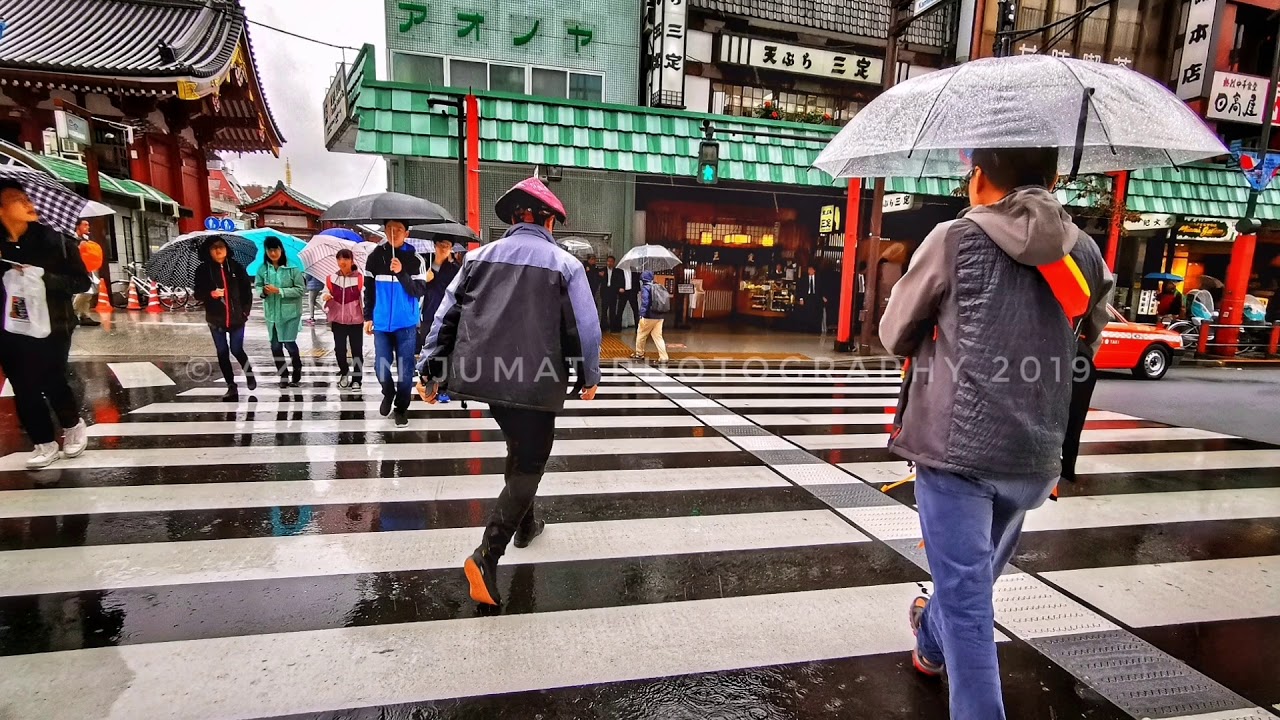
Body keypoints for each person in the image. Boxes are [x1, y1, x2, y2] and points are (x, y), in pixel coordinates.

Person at [879, 147, 1111, 720]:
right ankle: (929, 644)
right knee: (971, 581)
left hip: (957, 450)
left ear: (980, 177)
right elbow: (1091, 335)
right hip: (1035, 452)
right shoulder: (1083, 251)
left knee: (967, 602)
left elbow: (894, 332)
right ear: (1053, 179)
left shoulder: (954, 238)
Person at [417, 176, 601, 608]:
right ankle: (487, 555)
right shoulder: (565, 265)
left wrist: (430, 370)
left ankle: (526, 525)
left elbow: (446, 316)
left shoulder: (476, 258)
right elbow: (585, 329)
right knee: (531, 462)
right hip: (538, 379)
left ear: (513, 219)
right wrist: (587, 375)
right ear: (549, 222)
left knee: (519, 447)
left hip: (488, 377)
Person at [0, 180, 92, 468]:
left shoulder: (56, 240)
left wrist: (43, 277)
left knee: (51, 378)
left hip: (54, 323)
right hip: (10, 326)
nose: (29, 204)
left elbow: (81, 282)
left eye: (28, 198)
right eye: (18, 199)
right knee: (23, 385)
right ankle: (43, 442)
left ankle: (72, 425)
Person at [364, 219, 427, 426]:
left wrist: (401, 272)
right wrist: (368, 317)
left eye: (398, 229)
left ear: (406, 233)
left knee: (405, 370)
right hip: (381, 323)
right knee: (381, 367)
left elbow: (419, 291)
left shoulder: (415, 259)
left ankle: (401, 408)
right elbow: (368, 290)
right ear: (385, 230)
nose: (394, 232)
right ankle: (388, 392)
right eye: (390, 228)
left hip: (406, 324)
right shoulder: (374, 257)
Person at [192, 236, 256, 401]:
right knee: (222, 352)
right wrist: (211, 294)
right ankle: (231, 386)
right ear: (208, 251)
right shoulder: (203, 270)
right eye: (214, 248)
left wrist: (245, 312)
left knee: (237, 349)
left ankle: (249, 373)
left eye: (221, 246)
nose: (218, 250)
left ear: (227, 249)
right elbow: (197, 293)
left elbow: (247, 292)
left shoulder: (236, 267)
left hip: (237, 319)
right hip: (215, 319)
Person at [255, 236, 305, 388]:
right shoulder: (263, 269)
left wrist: (279, 290)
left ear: (281, 249)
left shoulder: (293, 268)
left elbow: (300, 290)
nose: (273, 253)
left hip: (290, 314)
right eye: (269, 250)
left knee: (289, 344)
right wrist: (263, 291)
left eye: (275, 249)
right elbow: (257, 286)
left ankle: (297, 366)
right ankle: (283, 375)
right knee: (275, 347)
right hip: (272, 314)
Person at [323, 249, 364, 391]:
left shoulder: (360, 278)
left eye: (346, 259)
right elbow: (325, 293)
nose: (342, 262)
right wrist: (325, 297)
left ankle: (357, 380)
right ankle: (344, 372)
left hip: (356, 321)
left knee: (357, 350)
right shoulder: (331, 278)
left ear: (352, 260)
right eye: (339, 259)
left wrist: (369, 318)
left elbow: (364, 299)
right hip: (338, 321)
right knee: (339, 350)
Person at [632, 270, 669, 362]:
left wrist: (642, 314)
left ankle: (639, 354)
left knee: (641, 334)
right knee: (658, 337)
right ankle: (664, 357)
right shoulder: (658, 286)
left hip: (649, 316)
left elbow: (645, 302)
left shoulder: (646, 288)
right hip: (659, 316)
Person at [71, 219, 101, 327]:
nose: (88, 227)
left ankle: (84, 315)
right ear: (77, 226)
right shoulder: (72, 238)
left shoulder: (86, 239)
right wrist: (79, 247)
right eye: (85, 225)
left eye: (88, 225)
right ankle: (74, 313)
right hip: (76, 268)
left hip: (87, 268)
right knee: (84, 292)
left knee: (88, 293)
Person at [602, 255, 629, 331]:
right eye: (608, 261)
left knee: (612, 310)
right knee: (604, 310)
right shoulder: (602, 270)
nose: (609, 263)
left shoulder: (618, 271)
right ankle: (603, 327)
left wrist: (620, 288)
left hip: (613, 292)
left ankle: (612, 327)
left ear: (614, 263)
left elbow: (620, 281)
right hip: (605, 292)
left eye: (611, 262)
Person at [796, 265, 824, 332]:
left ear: (814, 271)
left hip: (815, 297)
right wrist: (801, 298)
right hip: (807, 297)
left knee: (815, 313)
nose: (810, 271)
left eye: (811, 269)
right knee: (807, 313)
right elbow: (800, 289)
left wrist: (823, 296)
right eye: (809, 269)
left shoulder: (819, 279)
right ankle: (806, 328)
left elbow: (821, 289)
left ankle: (815, 328)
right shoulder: (804, 278)